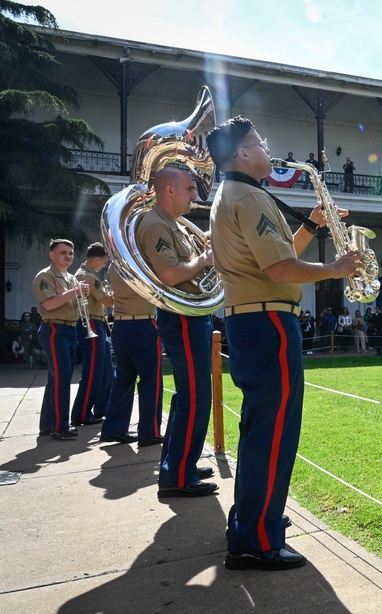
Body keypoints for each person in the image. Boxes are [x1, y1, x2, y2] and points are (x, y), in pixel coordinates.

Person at [207, 115, 362, 571]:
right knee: (274, 434)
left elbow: (277, 257)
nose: (267, 147)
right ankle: (256, 538)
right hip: (269, 323)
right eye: (259, 141)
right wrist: (335, 270)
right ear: (241, 154)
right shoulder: (250, 197)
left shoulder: (235, 194)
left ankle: (252, 521)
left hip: (254, 322)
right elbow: (279, 271)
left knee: (260, 430)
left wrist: (311, 227)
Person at [137, 163, 217, 498]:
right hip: (182, 317)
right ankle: (177, 476)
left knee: (190, 394)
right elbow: (170, 274)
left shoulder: (174, 224)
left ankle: (180, 463)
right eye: (189, 189)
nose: (194, 196)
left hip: (192, 315)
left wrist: (204, 249)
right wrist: (205, 260)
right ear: (169, 190)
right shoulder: (155, 223)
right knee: (196, 395)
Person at [32, 239, 92, 440]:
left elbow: (76, 305)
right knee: (62, 377)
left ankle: (48, 425)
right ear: (52, 255)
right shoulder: (45, 276)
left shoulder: (71, 278)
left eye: (71, 253)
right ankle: (60, 426)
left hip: (69, 329)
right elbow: (49, 304)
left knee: (55, 378)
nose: (68, 256)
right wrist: (75, 291)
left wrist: (82, 295)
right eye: (63, 253)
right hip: (54, 329)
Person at [98, 268, 164, 446]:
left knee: (124, 378)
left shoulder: (114, 266)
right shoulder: (140, 264)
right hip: (142, 323)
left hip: (120, 324)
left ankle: (114, 428)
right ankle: (150, 431)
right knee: (151, 379)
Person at [70, 243, 115, 427]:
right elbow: (108, 300)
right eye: (103, 262)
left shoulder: (86, 275)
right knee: (94, 371)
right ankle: (81, 413)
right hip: (92, 323)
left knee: (106, 372)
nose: (104, 265)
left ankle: (100, 410)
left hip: (97, 323)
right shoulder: (87, 276)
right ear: (96, 259)